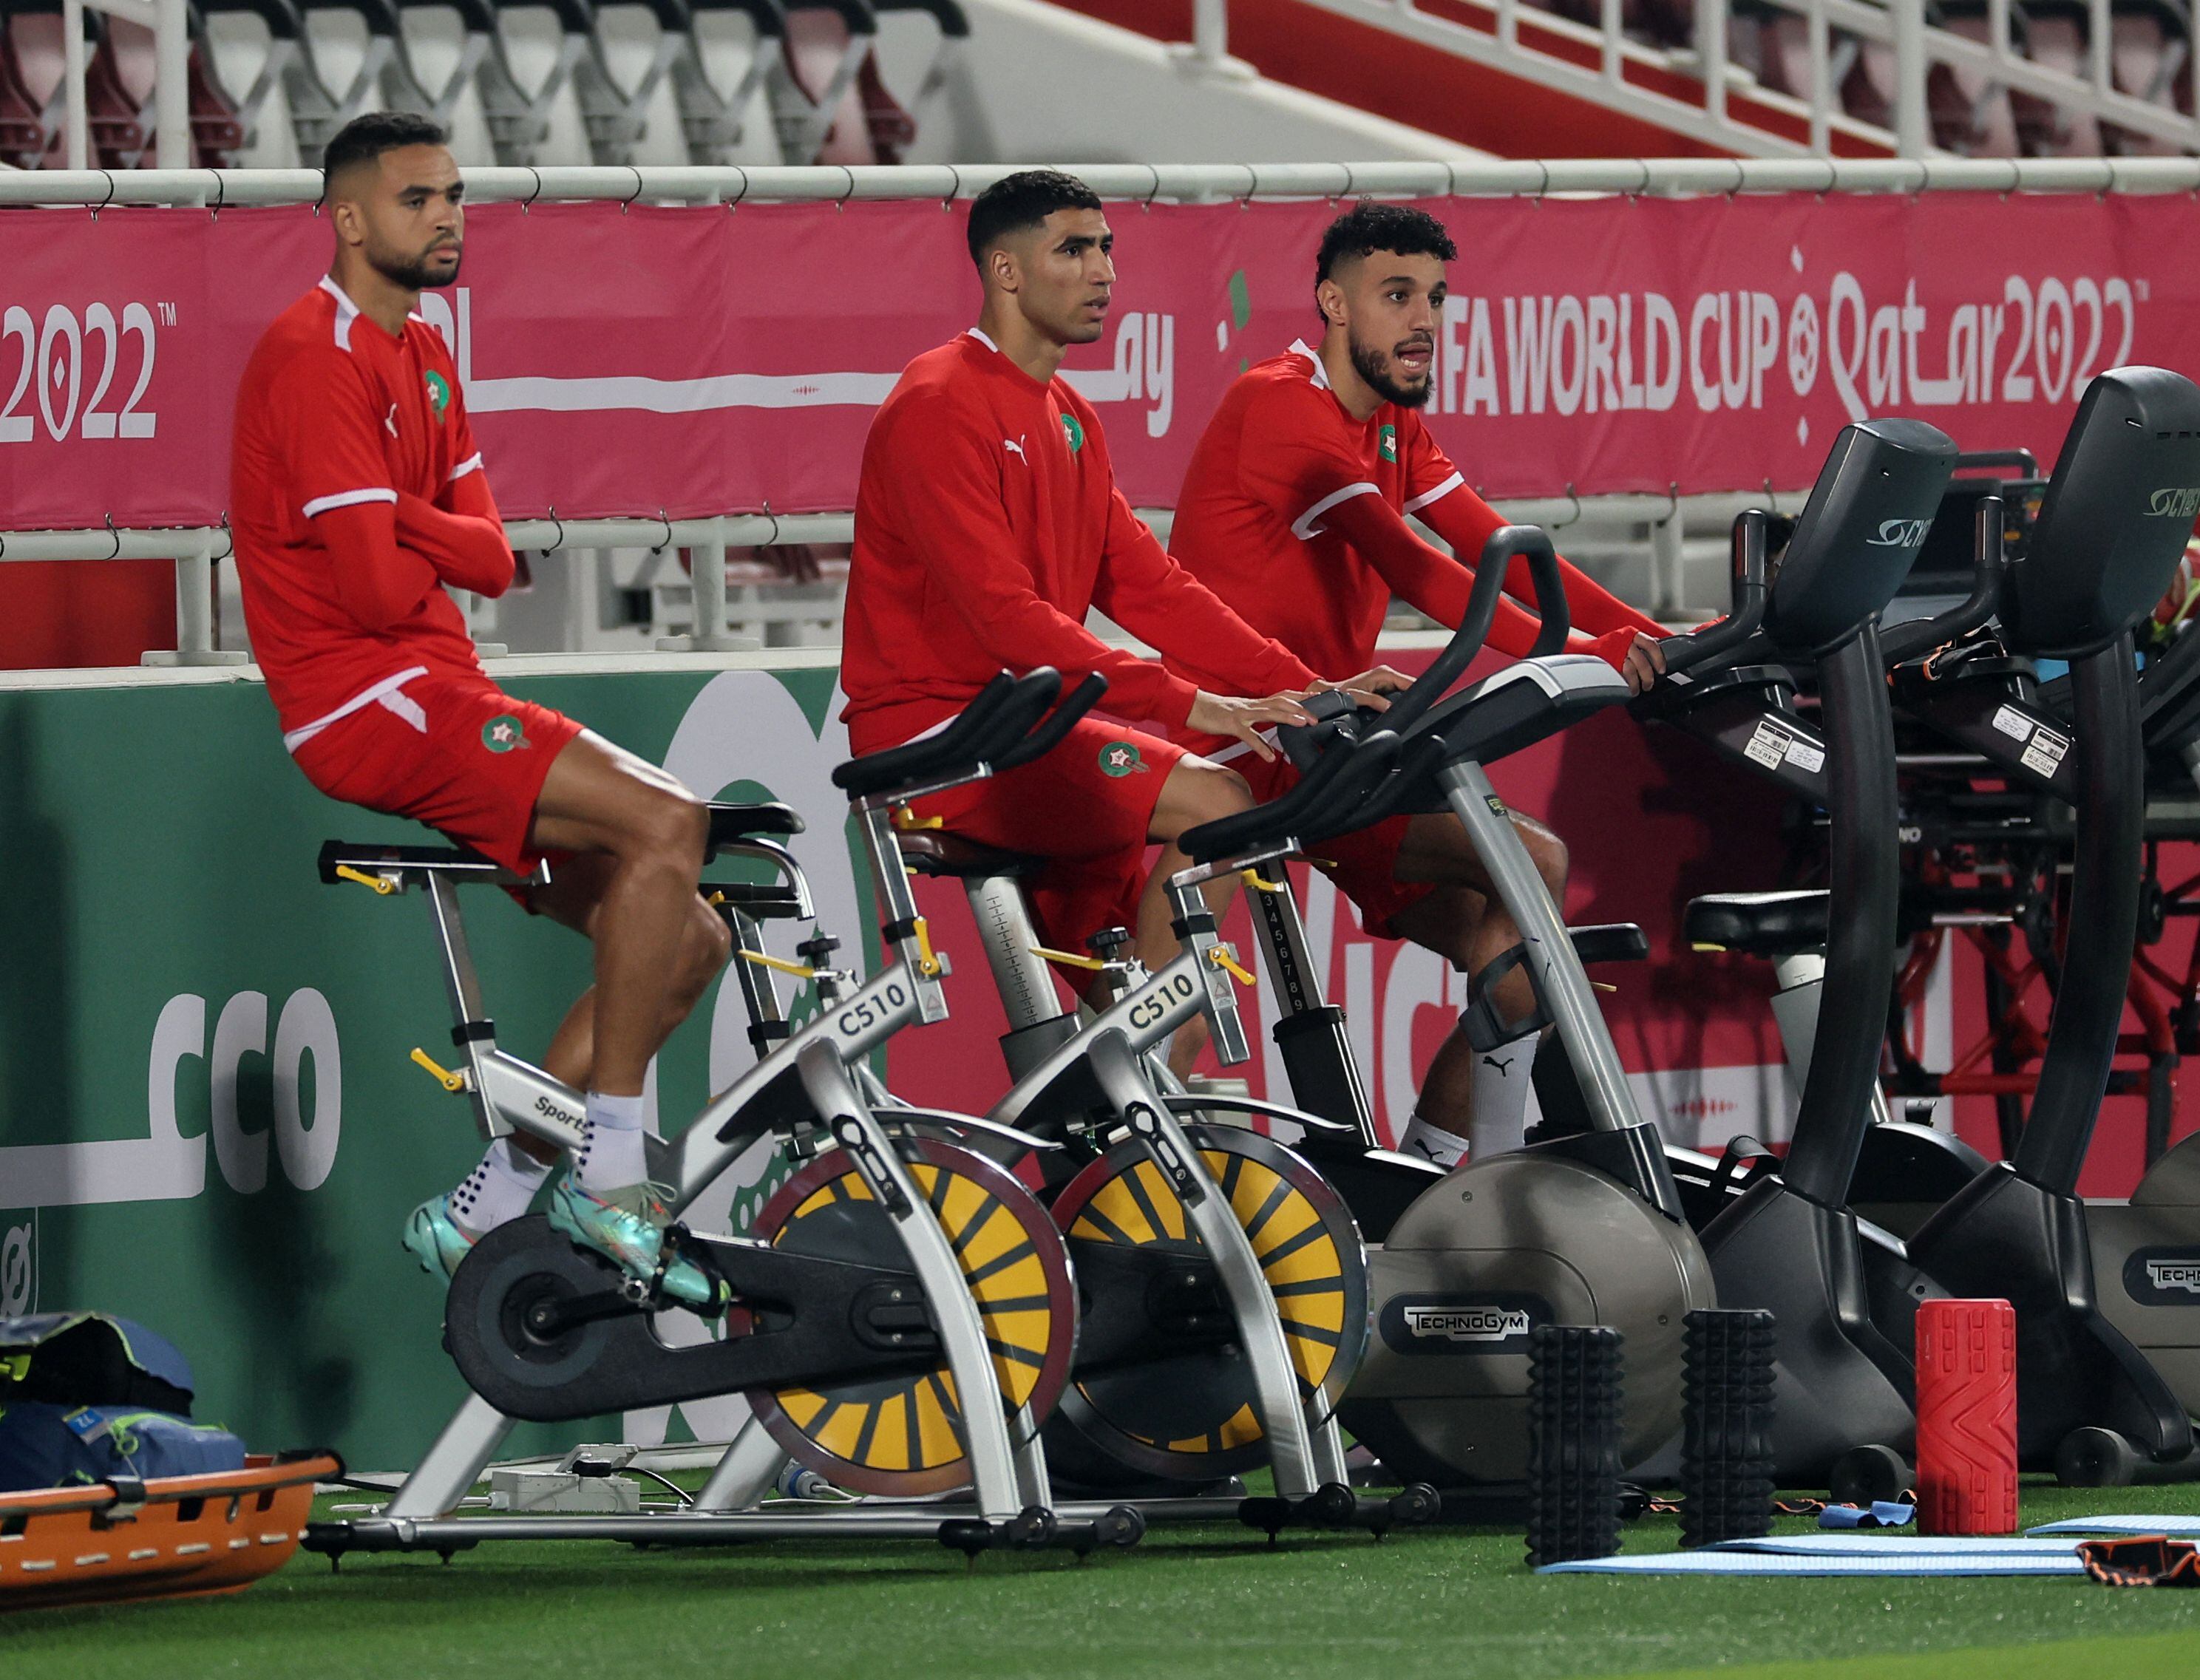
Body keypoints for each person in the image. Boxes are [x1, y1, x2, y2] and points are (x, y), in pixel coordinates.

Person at [230, 112, 725, 1305]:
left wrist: (397, 514)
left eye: (454, 195)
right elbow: (373, 593)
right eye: (418, 199)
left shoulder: (425, 350)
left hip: (441, 684)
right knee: (671, 819)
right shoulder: (313, 357)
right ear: (350, 220)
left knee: (689, 939)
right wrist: (423, 533)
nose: (448, 216)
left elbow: (497, 560)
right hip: (367, 702)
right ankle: (612, 1172)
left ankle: (495, 1201)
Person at [1165, 202, 1674, 1168]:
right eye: (1396, 296)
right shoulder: (1280, 405)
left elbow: (1494, 545)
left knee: (1522, 917)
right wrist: (1589, 654)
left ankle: (1445, 1171)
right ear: (1333, 304)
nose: (1423, 321)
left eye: (1435, 298)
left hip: (1321, 744)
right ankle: (1481, 1167)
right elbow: (1422, 572)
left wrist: (1649, 639)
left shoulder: (1395, 420)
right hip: (1231, 744)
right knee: (1180, 1027)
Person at [841, 170, 1396, 986]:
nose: (1104, 272)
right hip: (937, 736)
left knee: (1127, 984)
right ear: (1005, 270)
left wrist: (1304, 685)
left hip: (1028, 730)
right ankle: (1157, 1055)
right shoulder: (937, 401)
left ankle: (1145, 1054)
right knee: (1220, 800)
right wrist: (1193, 703)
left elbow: (1149, 586)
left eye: (1106, 248)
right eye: (1073, 250)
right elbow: (1005, 616)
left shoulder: (1069, 411)